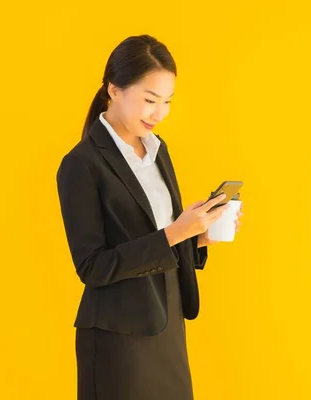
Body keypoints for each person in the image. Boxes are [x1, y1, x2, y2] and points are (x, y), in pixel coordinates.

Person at [55, 34, 243, 400]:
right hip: (118, 340)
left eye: (167, 101)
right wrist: (175, 233)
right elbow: (92, 267)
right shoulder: (81, 164)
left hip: (167, 326)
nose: (159, 113)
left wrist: (199, 236)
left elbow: (157, 242)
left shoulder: (157, 150)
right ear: (114, 90)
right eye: (149, 100)